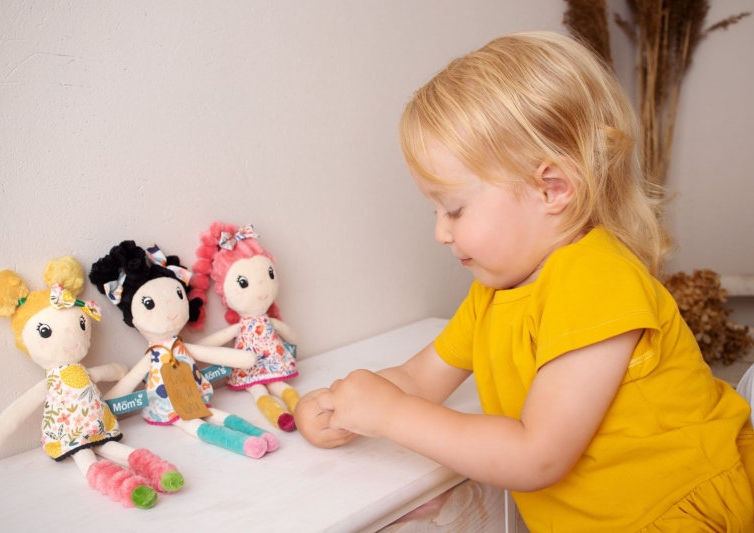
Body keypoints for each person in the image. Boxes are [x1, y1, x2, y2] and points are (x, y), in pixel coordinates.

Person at [294, 31, 754, 531]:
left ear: (551, 189)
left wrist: (391, 416)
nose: (440, 233)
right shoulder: (496, 291)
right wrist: (340, 405)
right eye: (435, 211)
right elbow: (418, 380)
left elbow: (537, 457)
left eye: (454, 209)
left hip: (678, 512)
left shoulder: (597, 279)